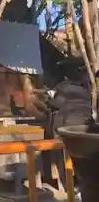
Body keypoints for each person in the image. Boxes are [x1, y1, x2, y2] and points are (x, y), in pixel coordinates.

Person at [46, 57, 93, 200]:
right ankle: (81, 187)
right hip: (83, 129)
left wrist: (47, 99)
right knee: (81, 160)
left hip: (65, 130)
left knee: (61, 158)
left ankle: (69, 189)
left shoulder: (63, 87)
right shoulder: (86, 89)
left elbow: (56, 105)